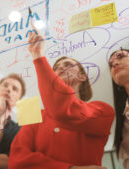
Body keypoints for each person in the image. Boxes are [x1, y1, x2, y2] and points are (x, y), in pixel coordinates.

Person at [8, 29, 114, 169]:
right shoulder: (34, 114)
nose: (61, 68)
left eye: (68, 65)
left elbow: (63, 110)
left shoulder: (103, 110)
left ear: (82, 76)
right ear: (52, 78)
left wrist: (39, 57)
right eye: (56, 68)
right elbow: (17, 161)